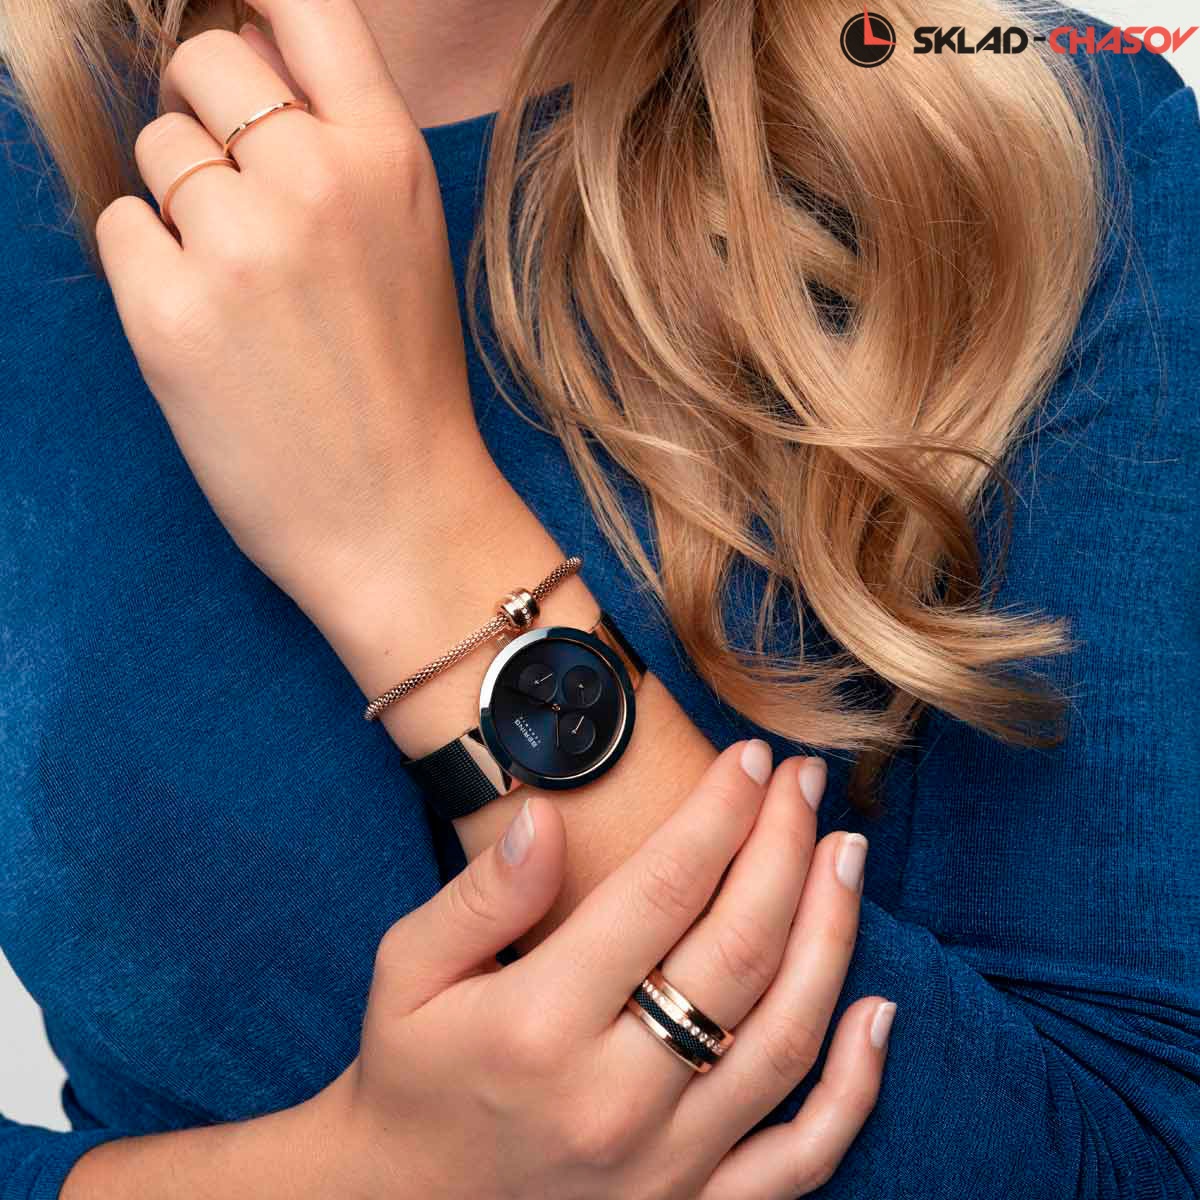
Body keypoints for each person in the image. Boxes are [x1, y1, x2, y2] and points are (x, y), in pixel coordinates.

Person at [0, 0, 1196, 1196]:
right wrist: (356, 1177)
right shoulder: (26, 160)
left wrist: (408, 525)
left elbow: (1135, 1163)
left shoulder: (1033, 140)